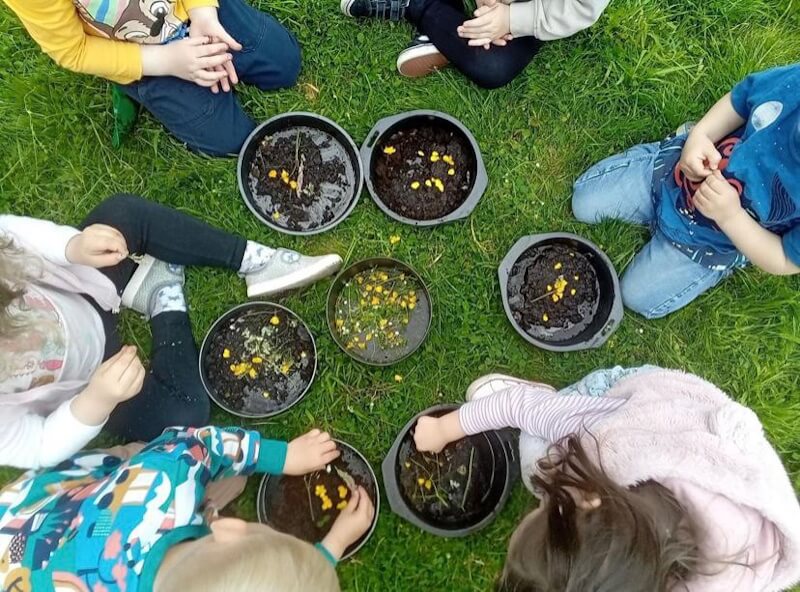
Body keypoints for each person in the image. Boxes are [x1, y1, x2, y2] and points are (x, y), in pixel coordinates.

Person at [0, 193, 342, 469]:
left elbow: (14, 237)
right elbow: (38, 447)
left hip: (84, 286)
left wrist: (72, 246)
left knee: (123, 213)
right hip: (96, 382)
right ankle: (162, 299)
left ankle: (255, 262)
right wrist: (95, 401)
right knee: (185, 412)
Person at [413, 368, 800, 591]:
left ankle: (552, 405)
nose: (538, 507)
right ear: (587, 499)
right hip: (642, 404)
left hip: (644, 446)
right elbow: (519, 408)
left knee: (534, 455)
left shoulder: (601, 446)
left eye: (548, 510)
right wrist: (447, 428)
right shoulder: (614, 435)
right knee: (541, 430)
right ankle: (562, 399)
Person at [0, 425, 376, 591]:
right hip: (79, 517)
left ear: (227, 529)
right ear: (222, 527)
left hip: (25, 521)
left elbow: (196, 446)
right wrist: (330, 548)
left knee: (232, 476)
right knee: (138, 461)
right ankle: (129, 457)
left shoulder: (166, 480)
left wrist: (280, 456)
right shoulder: (158, 486)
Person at [572, 63, 800, 318]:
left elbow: (784, 259)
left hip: (715, 240)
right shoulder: (795, 85)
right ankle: (668, 150)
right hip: (674, 175)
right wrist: (700, 137)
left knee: (636, 296)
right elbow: (741, 98)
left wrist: (731, 217)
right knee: (584, 202)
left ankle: (718, 266)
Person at [2, 0, 301, 155]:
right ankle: (133, 86)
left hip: (190, 10)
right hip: (138, 51)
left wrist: (204, 13)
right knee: (234, 142)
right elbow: (74, 50)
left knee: (285, 64)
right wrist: (168, 61)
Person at [340, 0, 610, 89]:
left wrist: (512, 19)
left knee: (494, 67)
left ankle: (419, 6)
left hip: (534, 7)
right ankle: (448, 35)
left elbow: (580, 6)